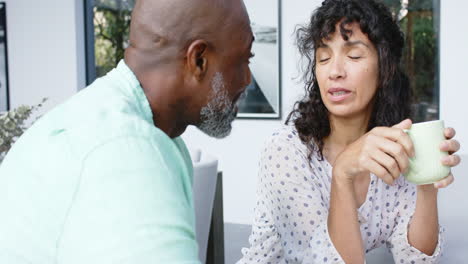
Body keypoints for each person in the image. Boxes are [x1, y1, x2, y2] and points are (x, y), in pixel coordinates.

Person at [0, 0, 254, 263]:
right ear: (198, 59)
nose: (247, 78)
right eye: (242, 61)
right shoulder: (128, 152)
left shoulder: (99, 117)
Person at [238, 0, 461, 263]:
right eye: (323, 58)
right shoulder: (286, 151)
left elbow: (416, 260)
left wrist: (427, 183)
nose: (334, 71)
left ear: (385, 68)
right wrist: (342, 172)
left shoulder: (390, 152)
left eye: (354, 56)